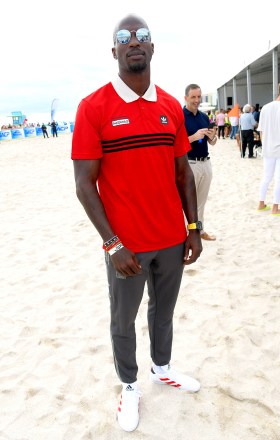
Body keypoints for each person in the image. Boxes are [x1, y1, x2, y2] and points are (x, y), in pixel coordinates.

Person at [71, 14, 202, 433]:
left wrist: (194, 228)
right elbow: (84, 185)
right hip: (126, 247)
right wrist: (112, 243)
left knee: (163, 314)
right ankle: (129, 385)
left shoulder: (169, 107)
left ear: (152, 48)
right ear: (114, 51)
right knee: (122, 320)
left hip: (171, 240)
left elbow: (183, 173)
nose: (134, 43)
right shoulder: (93, 107)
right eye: (124, 38)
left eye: (142, 37)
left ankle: (161, 367)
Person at [183, 84, 217, 241]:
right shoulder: (180, 116)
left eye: (199, 97)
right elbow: (175, 144)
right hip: (190, 164)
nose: (197, 100)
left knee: (202, 201)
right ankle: (186, 234)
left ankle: (200, 231)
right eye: (193, 97)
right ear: (186, 98)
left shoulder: (204, 117)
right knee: (188, 201)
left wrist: (212, 137)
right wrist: (194, 137)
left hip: (205, 163)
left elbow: (213, 143)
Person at [257, 93, 280, 215]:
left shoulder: (265, 107)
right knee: (279, 179)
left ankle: (261, 203)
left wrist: (264, 145)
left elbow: (261, 130)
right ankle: (275, 208)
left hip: (267, 148)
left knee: (266, 177)